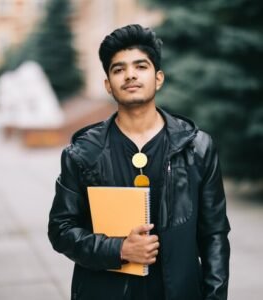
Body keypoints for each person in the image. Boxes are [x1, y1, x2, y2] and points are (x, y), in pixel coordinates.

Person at [48, 24, 231, 300]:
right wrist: (119, 250)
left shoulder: (197, 147)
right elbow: (61, 230)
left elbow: (214, 235)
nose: (130, 75)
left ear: (158, 78)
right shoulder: (82, 152)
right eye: (118, 69)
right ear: (108, 85)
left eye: (140, 66)